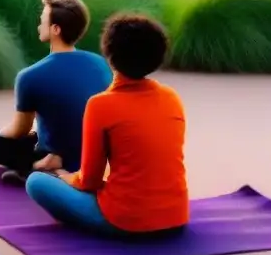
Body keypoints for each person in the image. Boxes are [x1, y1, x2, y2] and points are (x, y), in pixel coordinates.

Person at [25, 13, 189, 237]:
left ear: (109, 55)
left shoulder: (101, 104)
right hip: (176, 218)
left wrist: (63, 176)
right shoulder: (172, 97)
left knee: (36, 182)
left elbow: (89, 181)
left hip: (126, 223)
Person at [0, 0, 112, 183]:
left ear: (55, 29)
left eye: (42, 20)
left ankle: (40, 167)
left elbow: (19, 131)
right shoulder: (100, 64)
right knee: (20, 131)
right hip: (96, 154)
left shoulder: (30, 76)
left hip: (58, 152)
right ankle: (54, 163)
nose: (39, 25)